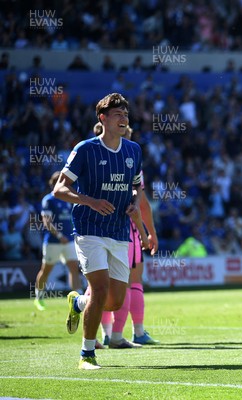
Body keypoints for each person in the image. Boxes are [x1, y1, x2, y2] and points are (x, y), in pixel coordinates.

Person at [54, 93, 143, 369]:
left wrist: (134, 204)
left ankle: (79, 302)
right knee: (100, 287)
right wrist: (89, 200)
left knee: (115, 302)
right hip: (89, 228)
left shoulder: (133, 151)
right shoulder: (85, 149)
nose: (124, 119)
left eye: (126, 115)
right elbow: (59, 189)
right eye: (118, 114)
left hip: (118, 231)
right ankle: (87, 354)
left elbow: (137, 187)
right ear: (103, 118)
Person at [96, 125, 160, 348]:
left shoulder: (92, 157)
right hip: (124, 232)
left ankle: (102, 334)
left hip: (94, 232)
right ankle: (125, 334)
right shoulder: (128, 162)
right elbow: (141, 206)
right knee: (130, 283)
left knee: (98, 285)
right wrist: (148, 233)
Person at [34, 171, 82, 311]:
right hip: (53, 242)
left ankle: (77, 299)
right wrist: (60, 235)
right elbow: (46, 221)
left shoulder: (68, 199)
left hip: (69, 241)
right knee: (46, 270)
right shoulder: (49, 199)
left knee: (74, 268)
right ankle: (39, 296)